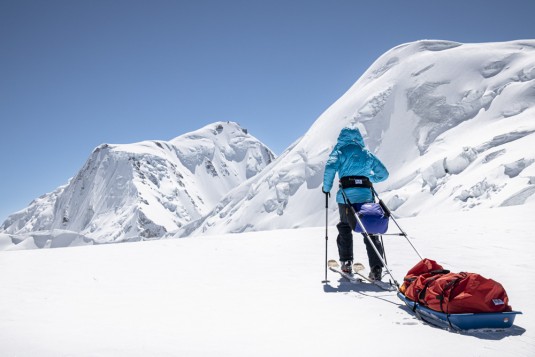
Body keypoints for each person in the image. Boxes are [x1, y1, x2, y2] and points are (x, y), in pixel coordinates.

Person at [322, 127, 389, 280]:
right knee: (370, 230)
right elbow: (384, 174)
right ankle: (376, 268)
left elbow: (330, 168)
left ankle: (346, 263)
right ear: (359, 137)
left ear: (341, 137)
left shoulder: (339, 152)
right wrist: (369, 179)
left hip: (346, 199)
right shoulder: (366, 153)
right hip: (366, 198)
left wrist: (326, 188)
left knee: (345, 227)